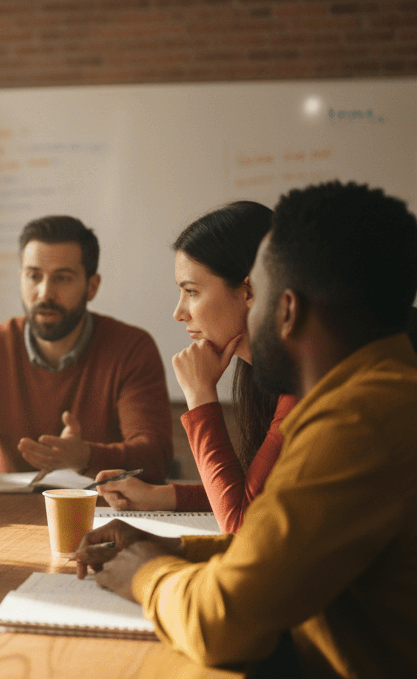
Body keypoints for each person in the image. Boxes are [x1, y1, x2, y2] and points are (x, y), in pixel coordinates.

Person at [76, 181, 417, 679]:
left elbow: (223, 623)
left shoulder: (356, 424)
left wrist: (144, 574)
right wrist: (170, 548)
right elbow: (283, 549)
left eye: (260, 294)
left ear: (288, 309)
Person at [0, 215, 172, 481]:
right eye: (34, 276)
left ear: (92, 287)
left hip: (102, 509)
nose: (44, 292)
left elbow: (156, 458)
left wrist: (85, 457)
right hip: (10, 512)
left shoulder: (131, 349)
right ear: (21, 278)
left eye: (62, 278)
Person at [94, 201, 295, 533]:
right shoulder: (273, 376)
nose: (179, 312)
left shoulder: (304, 389)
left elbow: (242, 525)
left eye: (191, 292)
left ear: (250, 291)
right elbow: (252, 495)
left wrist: (201, 396)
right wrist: (158, 496)